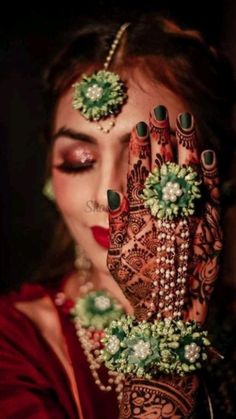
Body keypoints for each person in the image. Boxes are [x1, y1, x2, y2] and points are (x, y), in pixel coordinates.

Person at [0, 13, 235, 419]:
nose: (109, 195)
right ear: (49, 176)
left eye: (147, 159)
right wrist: (163, 359)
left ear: (219, 173)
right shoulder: (14, 345)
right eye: (79, 160)